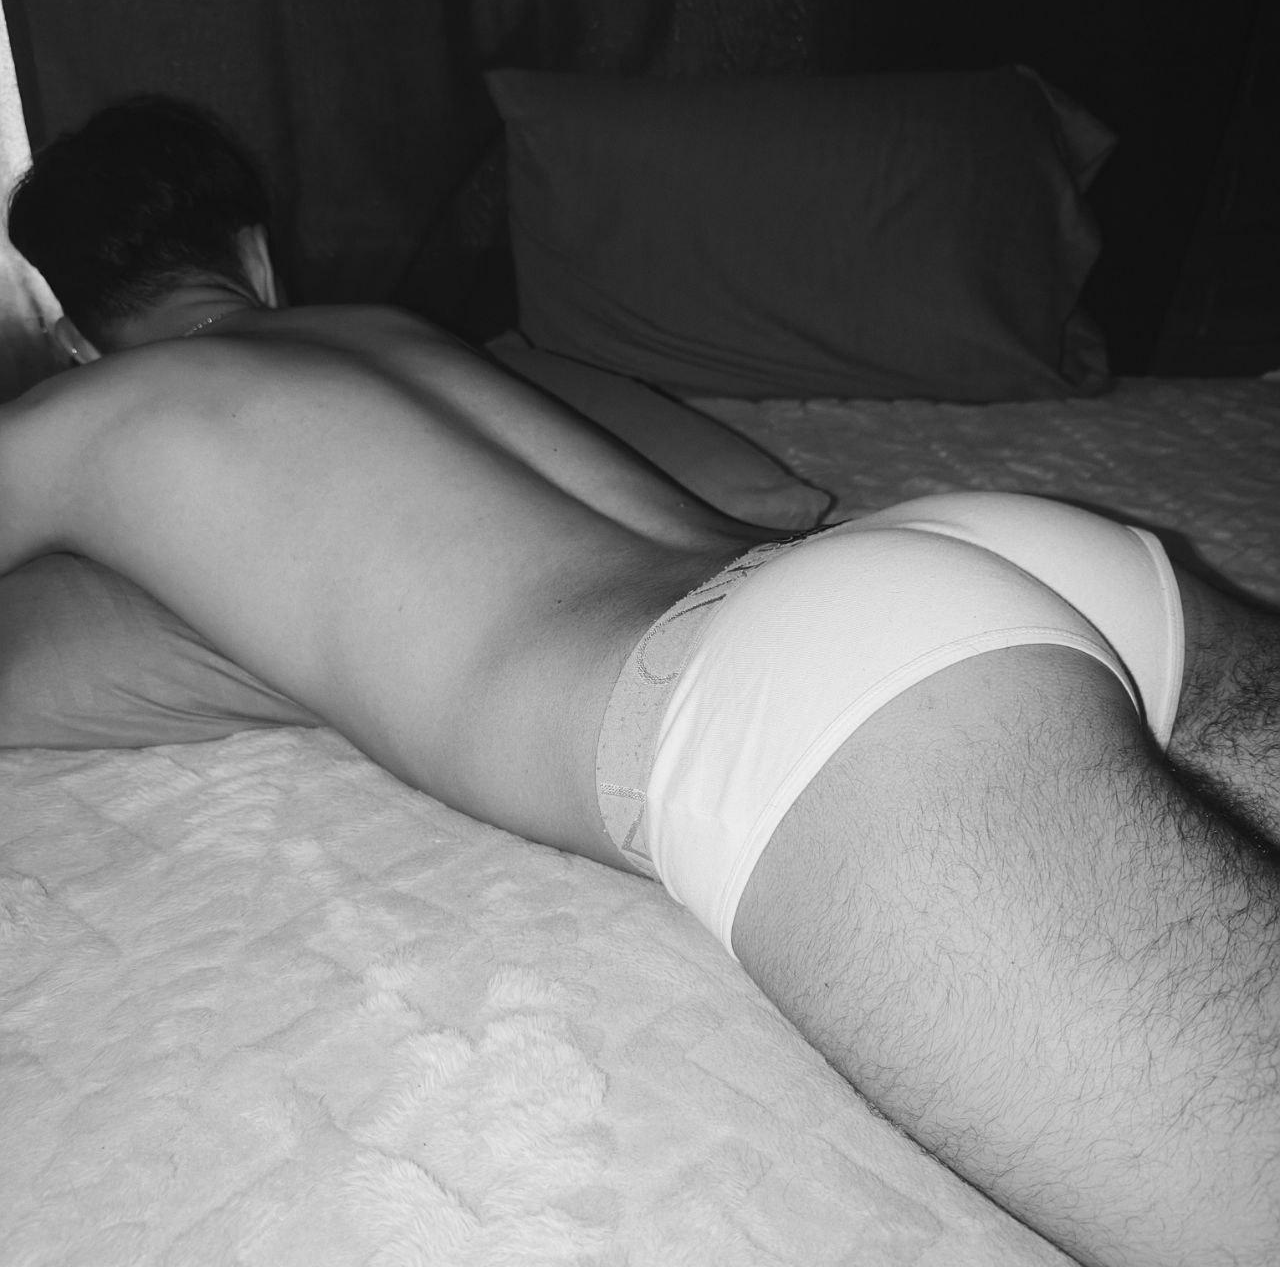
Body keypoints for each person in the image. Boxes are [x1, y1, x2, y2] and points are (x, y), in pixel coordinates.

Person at [6, 96, 1278, 1266]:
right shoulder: (388, 334)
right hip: (984, 547)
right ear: (253, 256)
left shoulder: (78, 422)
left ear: (67, 329)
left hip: (789, 690)